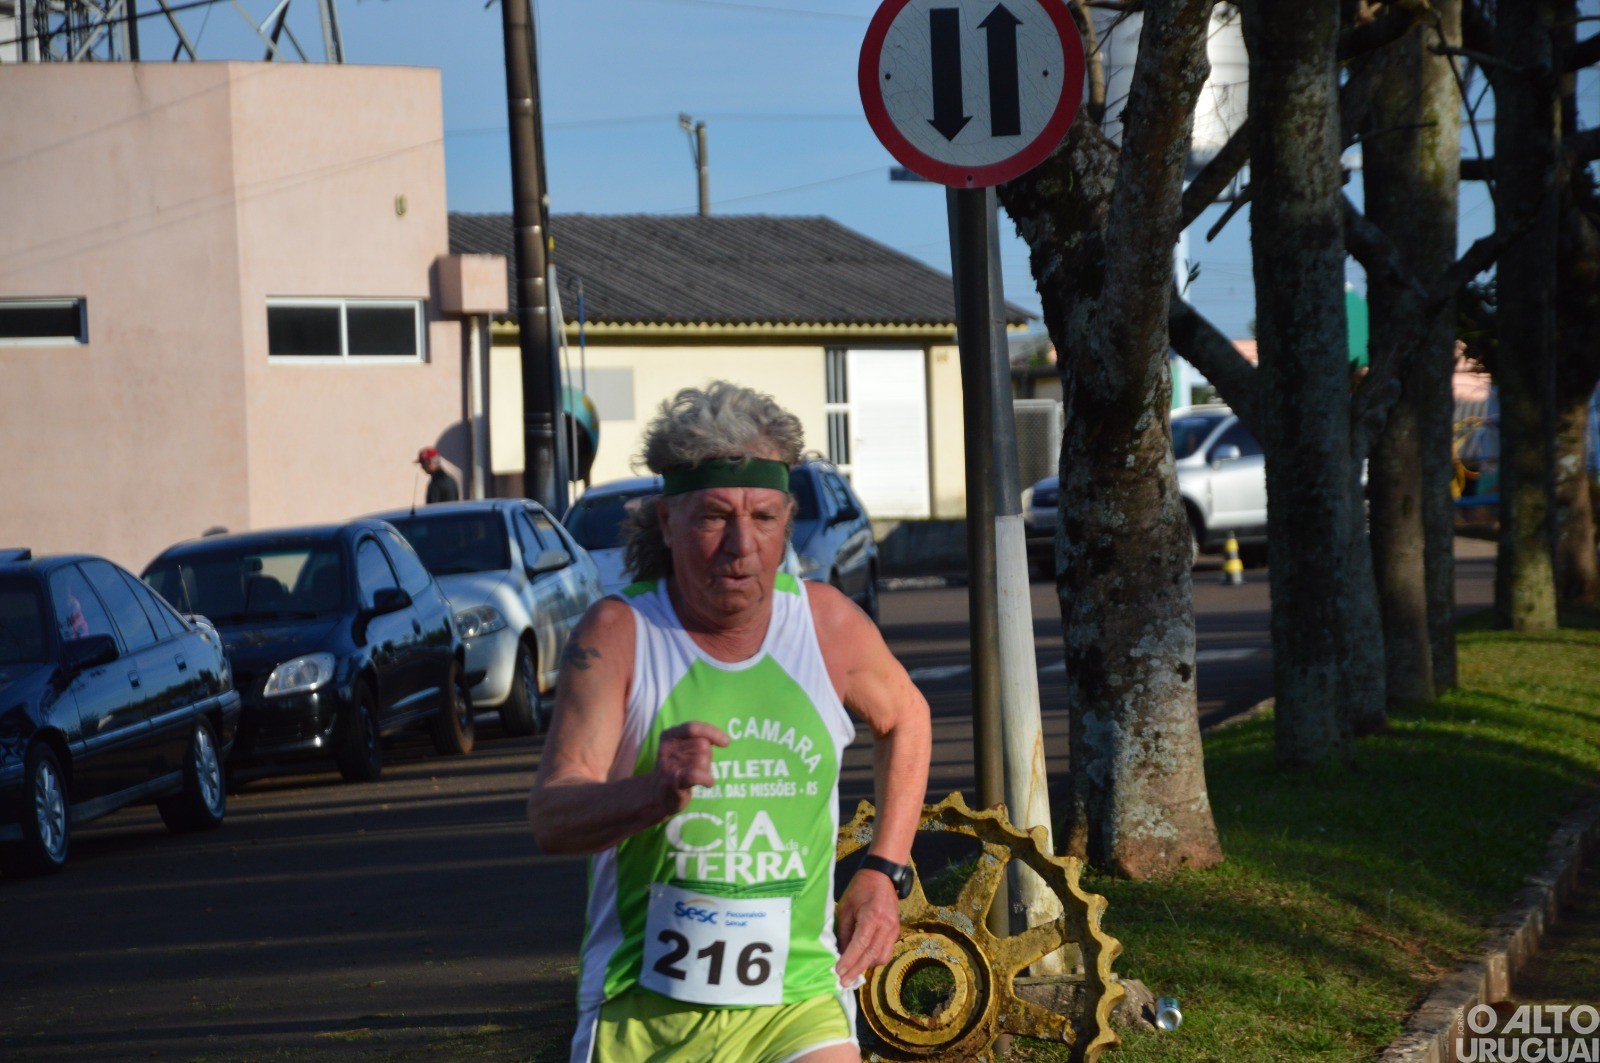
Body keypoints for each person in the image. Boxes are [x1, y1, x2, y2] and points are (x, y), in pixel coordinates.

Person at [528, 381, 931, 1063]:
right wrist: (651, 792)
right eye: (714, 517)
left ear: (788, 520)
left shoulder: (826, 626)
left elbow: (907, 718)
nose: (741, 545)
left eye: (764, 517)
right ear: (666, 522)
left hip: (797, 1001)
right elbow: (552, 816)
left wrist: (882, 872)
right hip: (643, 1012)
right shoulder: (620, 634)